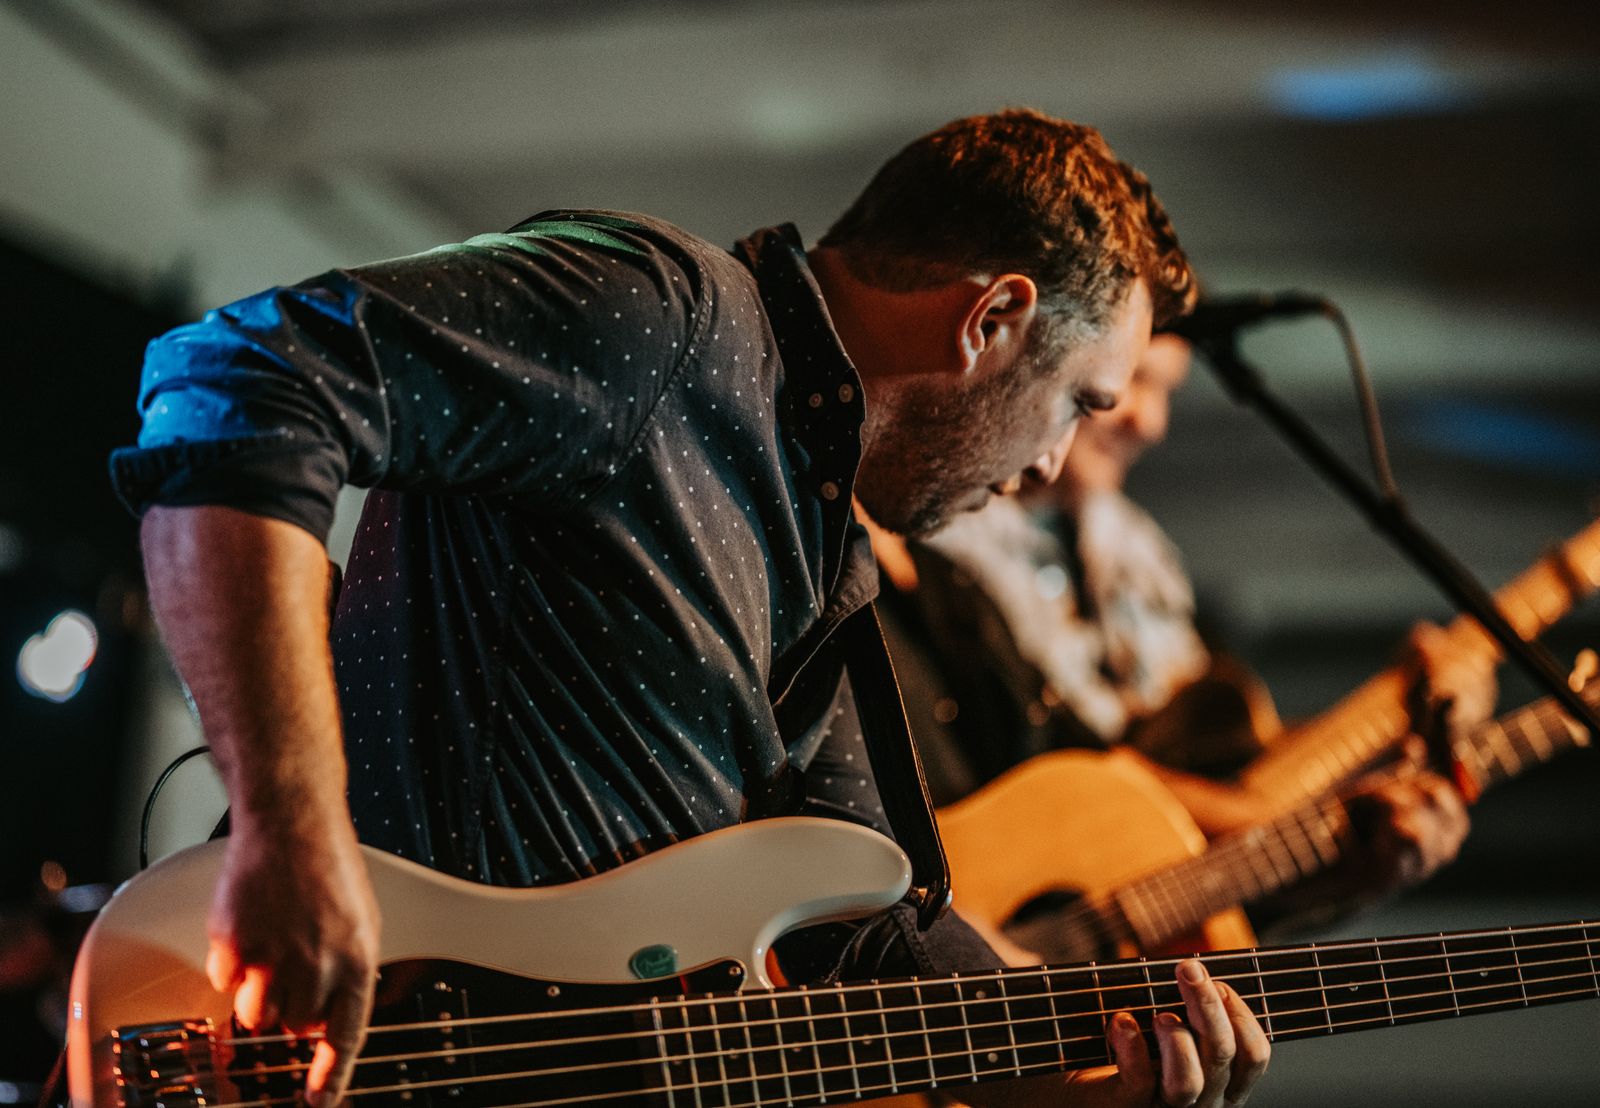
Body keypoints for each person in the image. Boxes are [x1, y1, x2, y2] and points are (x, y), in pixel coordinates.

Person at [112, 111, 1270, 1108]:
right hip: (318, 1042)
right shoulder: (662, 315)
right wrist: (291, 834)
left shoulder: (823, 546)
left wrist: (1082, 1081)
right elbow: (239, 382)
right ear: (991, 320)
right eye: (1078, 402)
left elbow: (870, 933)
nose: (1056, 462)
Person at [871, 331, 1483, 940]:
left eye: (1166, 391)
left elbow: (1208, 759)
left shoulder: (1136, 550)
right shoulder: (929, 536)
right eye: (1132, 380)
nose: (1151, 422)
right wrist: (1263, 822)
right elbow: (1056, 766)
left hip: (1130, 907)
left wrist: (1391, 726)